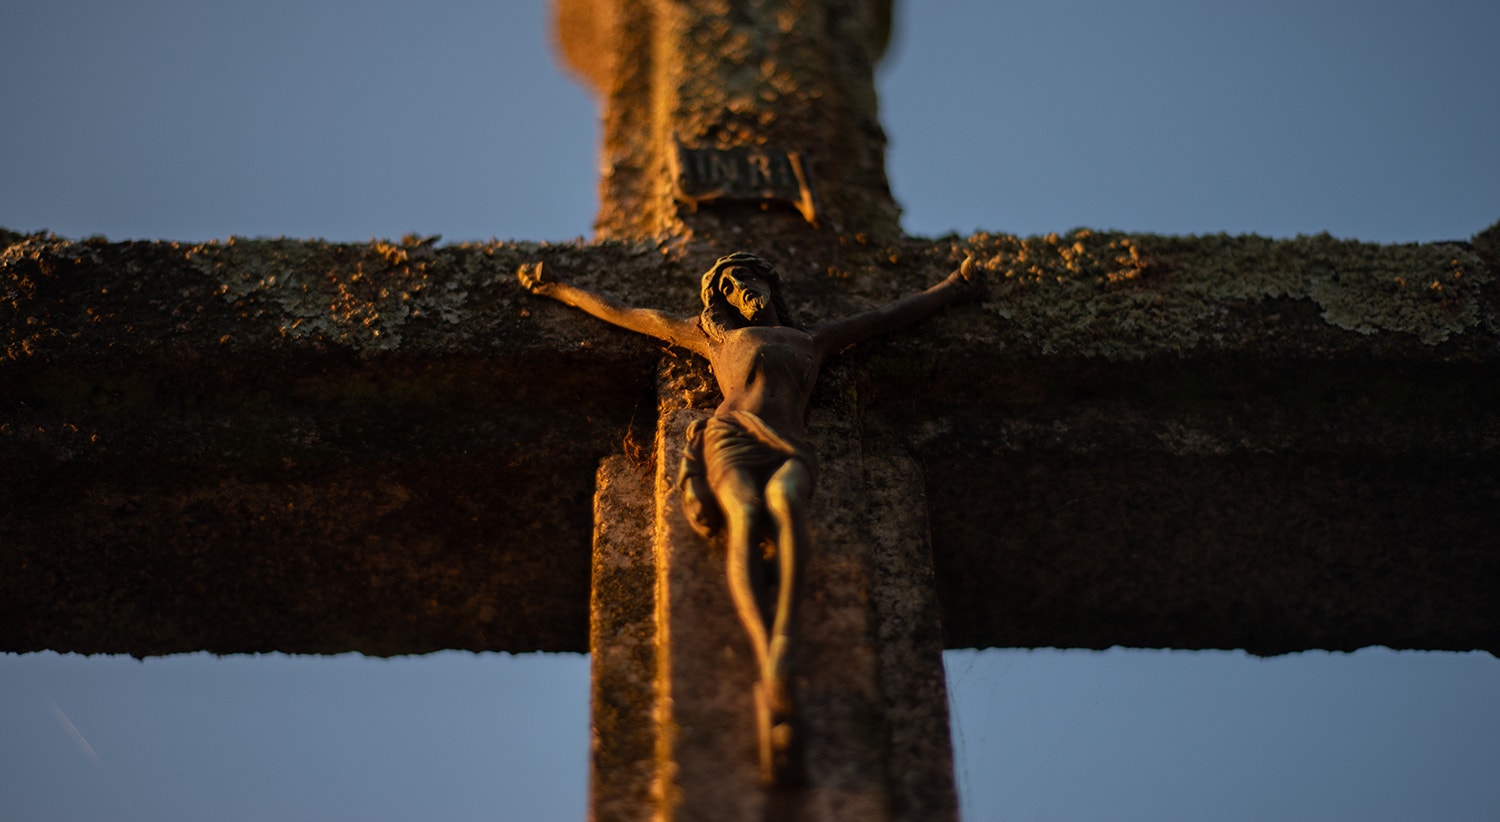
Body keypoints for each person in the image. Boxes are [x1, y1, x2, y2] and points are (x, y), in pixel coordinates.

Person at [518, 251, 982, 783]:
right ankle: (768, 661)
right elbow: (625, 312)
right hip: (730, 437)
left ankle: (782, 646)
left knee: (787, 507)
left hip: (788, 443)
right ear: (720, 299)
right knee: (743, 515)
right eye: (730, 287)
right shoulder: (713, 337)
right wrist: (557, 289)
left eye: (748, 280)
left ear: (768, 284)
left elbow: (889, 316)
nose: (742, 291)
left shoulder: (812, 340)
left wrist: (952, 289)